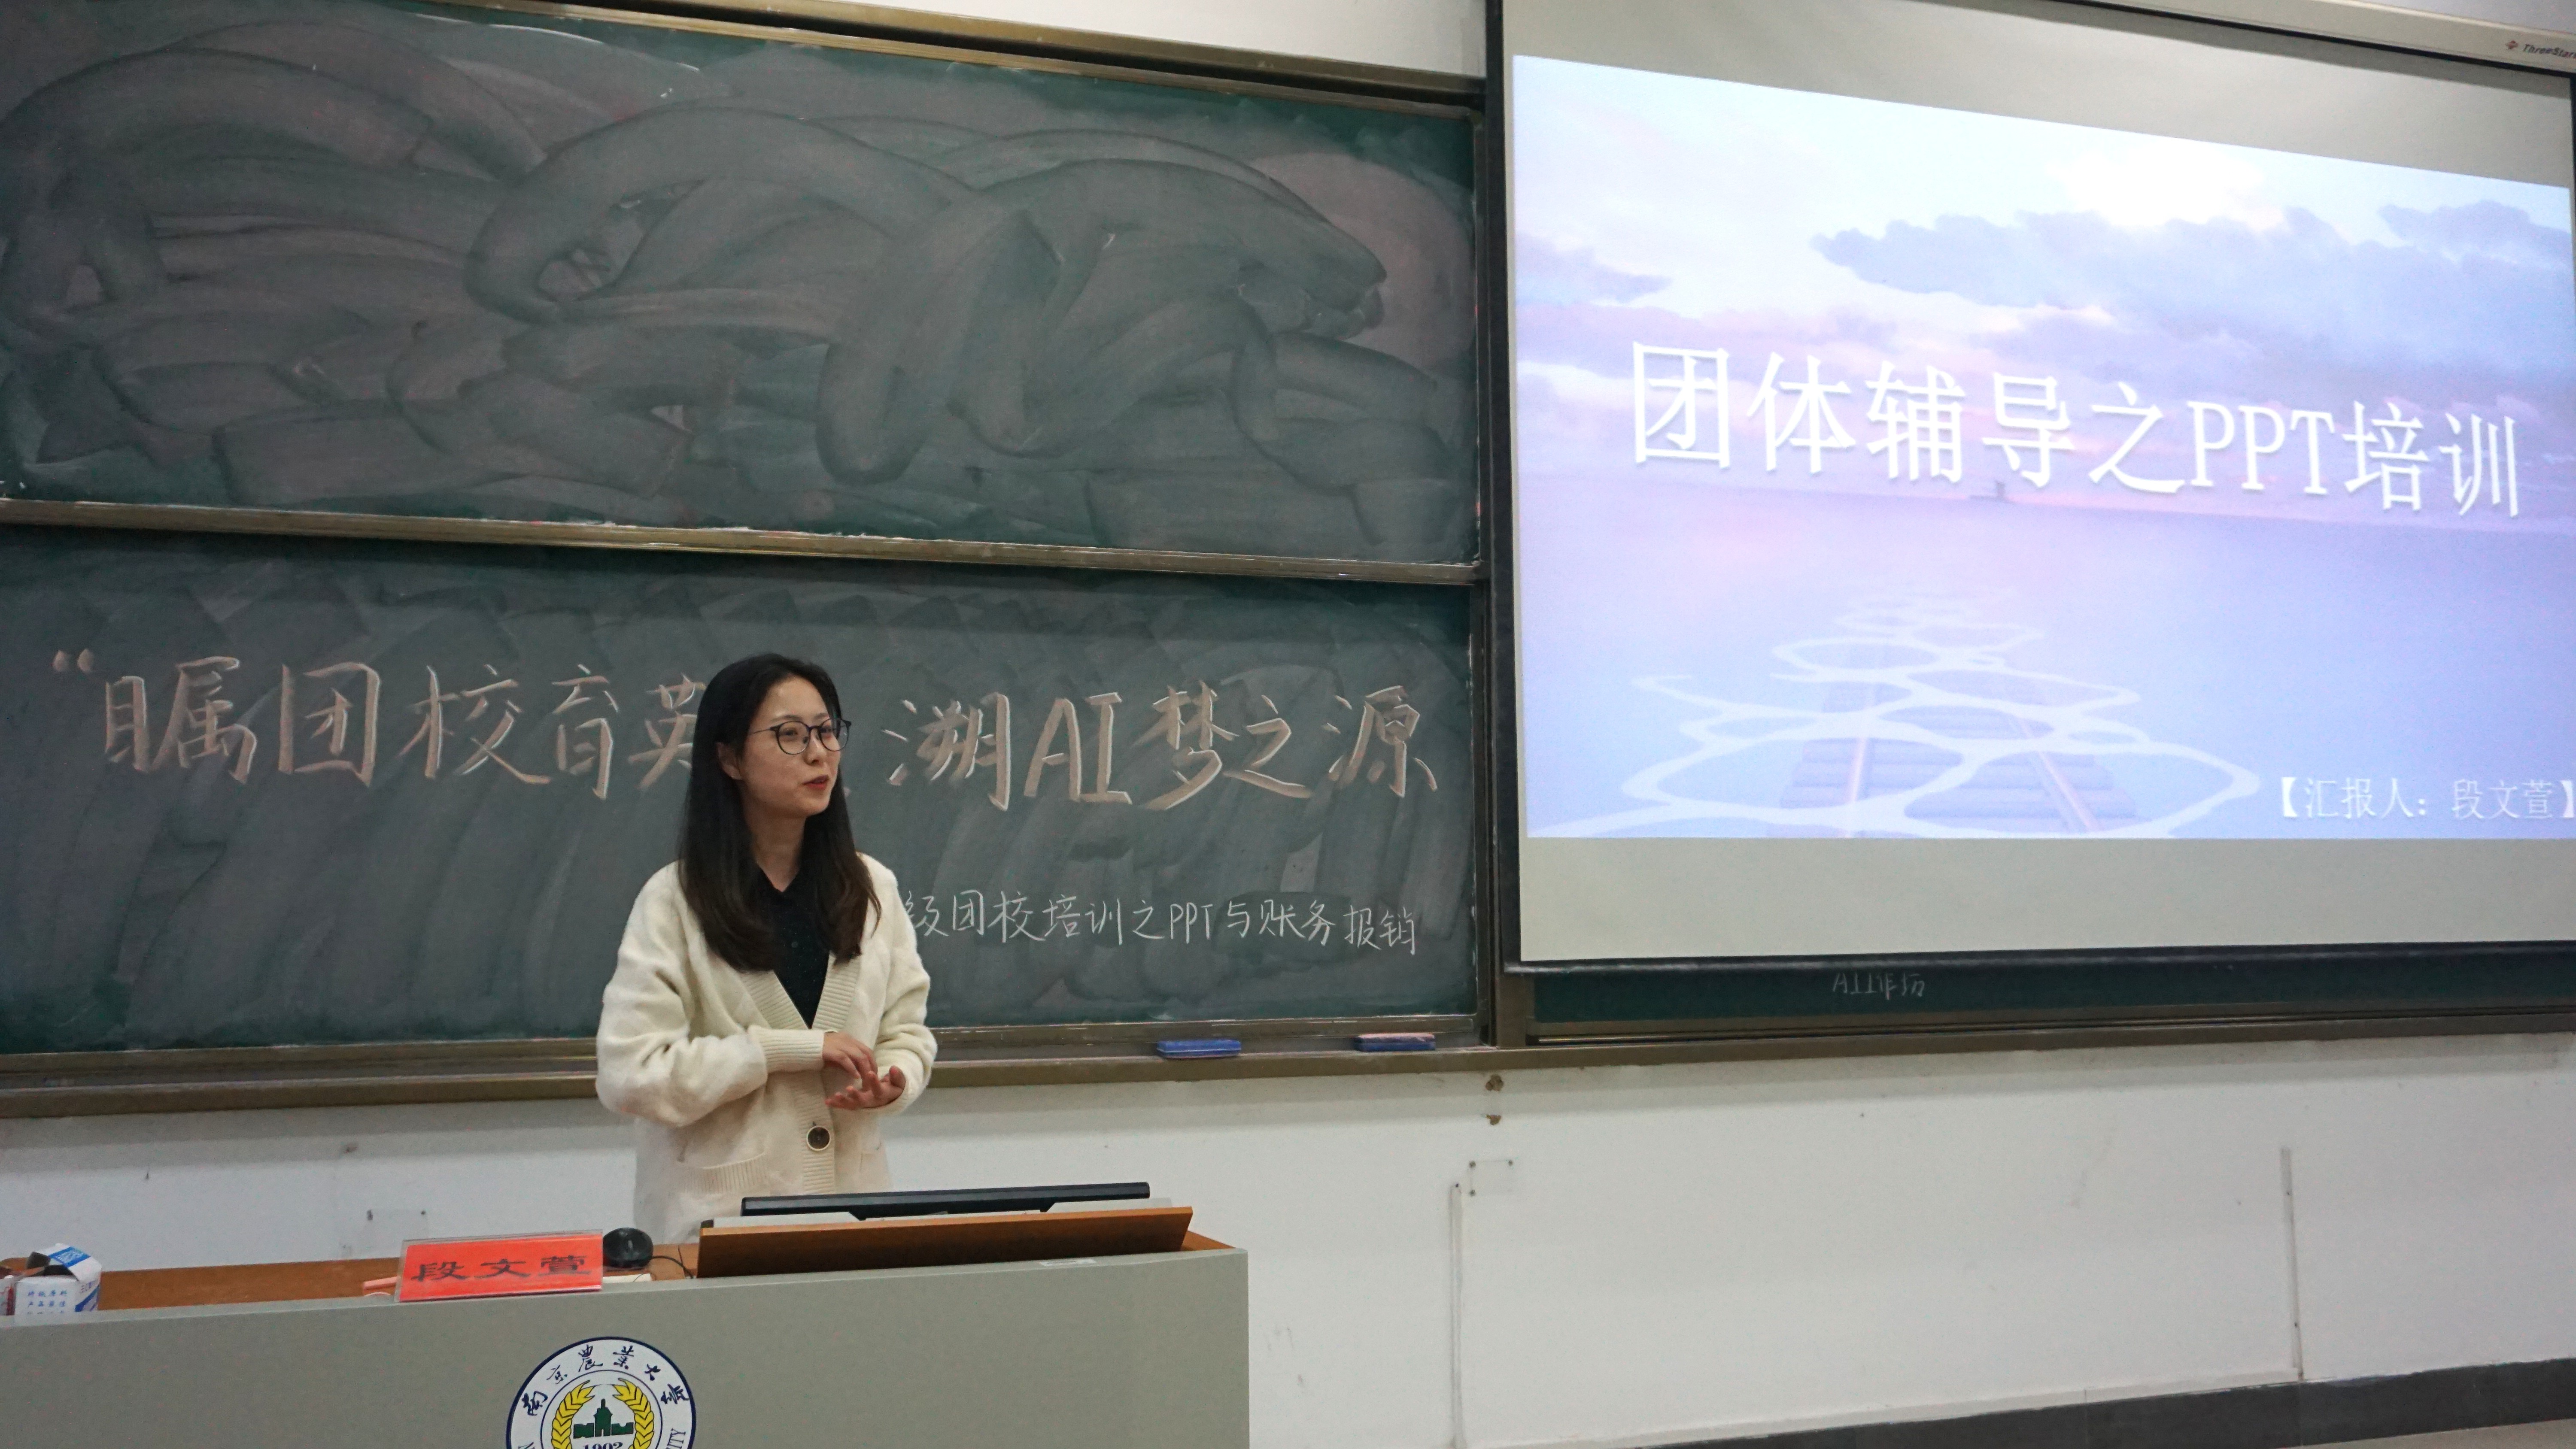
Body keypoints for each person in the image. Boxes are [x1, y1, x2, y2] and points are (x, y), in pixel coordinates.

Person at [596, 653, 934, 1243]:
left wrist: (895, 1078)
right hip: (717, 1230)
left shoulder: (871, 889)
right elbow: (632, 1076)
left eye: (827, 731)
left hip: (856, 1221)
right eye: (790, 735)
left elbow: (908, 1032)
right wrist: (783, 1051)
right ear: (729, 759)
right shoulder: (674, 901)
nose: (819, 753)